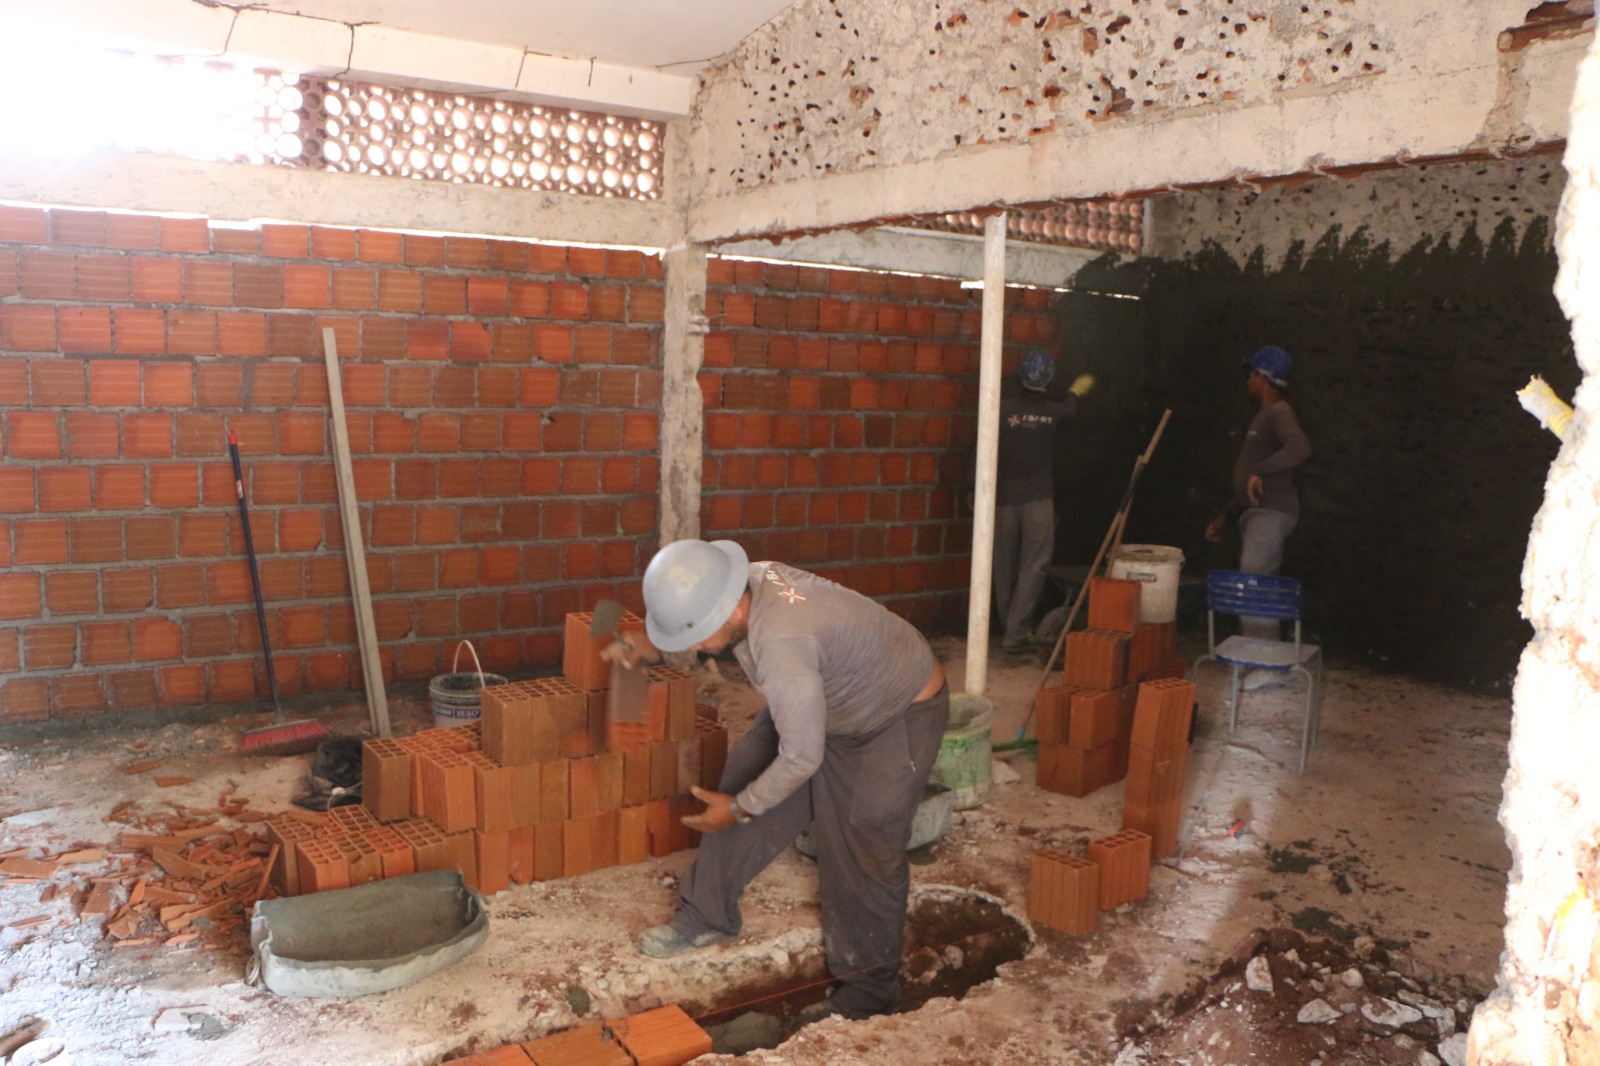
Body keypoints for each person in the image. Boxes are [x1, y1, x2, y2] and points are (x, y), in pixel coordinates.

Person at [624, 538, 949, 1021]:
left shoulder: (781, 646)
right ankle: (705, 916)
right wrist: (659, 640)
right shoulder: (743, 581)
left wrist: (740, 808)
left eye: (697, 635)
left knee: (863, 839)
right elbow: (798, 734)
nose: (693, 648)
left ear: (732, 609)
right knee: (746, 776)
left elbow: (801, 757)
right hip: (824, 701)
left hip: (892, 716)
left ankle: (868, 994)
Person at [1205, 345, 1312, 687]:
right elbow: (1249, 487)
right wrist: (1226, 515)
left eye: (1251, 374)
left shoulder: (1278, 412)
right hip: (1259, 513)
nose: (1247, 381)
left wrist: (1260, 470)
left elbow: (1300, 448)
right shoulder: (1265, 417)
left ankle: (1268, 667)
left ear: (1262, 378)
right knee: (1254, 582)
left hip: (1271, 514)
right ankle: (1262, 660)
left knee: (1256, 583)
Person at [991, 349, 1094, 653]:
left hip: (1004, 499)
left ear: (1020, 377)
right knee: (1034, 566)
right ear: (1049, 381)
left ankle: (1007, 626)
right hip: (1038, 500)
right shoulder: (1054, 412)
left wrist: (973, 487)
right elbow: (1070, 410)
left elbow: (979, 446)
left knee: (1003, 565)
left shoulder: (1002, 409)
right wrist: (1075, 390)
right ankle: (1016, 634)